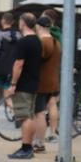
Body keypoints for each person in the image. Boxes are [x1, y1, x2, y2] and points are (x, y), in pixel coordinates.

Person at [4, 13, 42, 159]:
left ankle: (26, 147)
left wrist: (13, 83)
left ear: (23, 23)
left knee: (24, 116)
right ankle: (29, 146)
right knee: (30, 115)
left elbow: (19, 64)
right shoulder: (37, 41)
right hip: (33, 82)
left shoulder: (24, 42)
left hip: (23, 84)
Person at [33, 16, 61, 153]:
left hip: (42, 82)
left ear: (38, 27)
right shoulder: (56, 42)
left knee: (39, 113)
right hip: (54, 81)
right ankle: (53, 133)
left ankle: (39, 142)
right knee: (52, 105)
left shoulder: (43, 42)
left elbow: (37, 62)